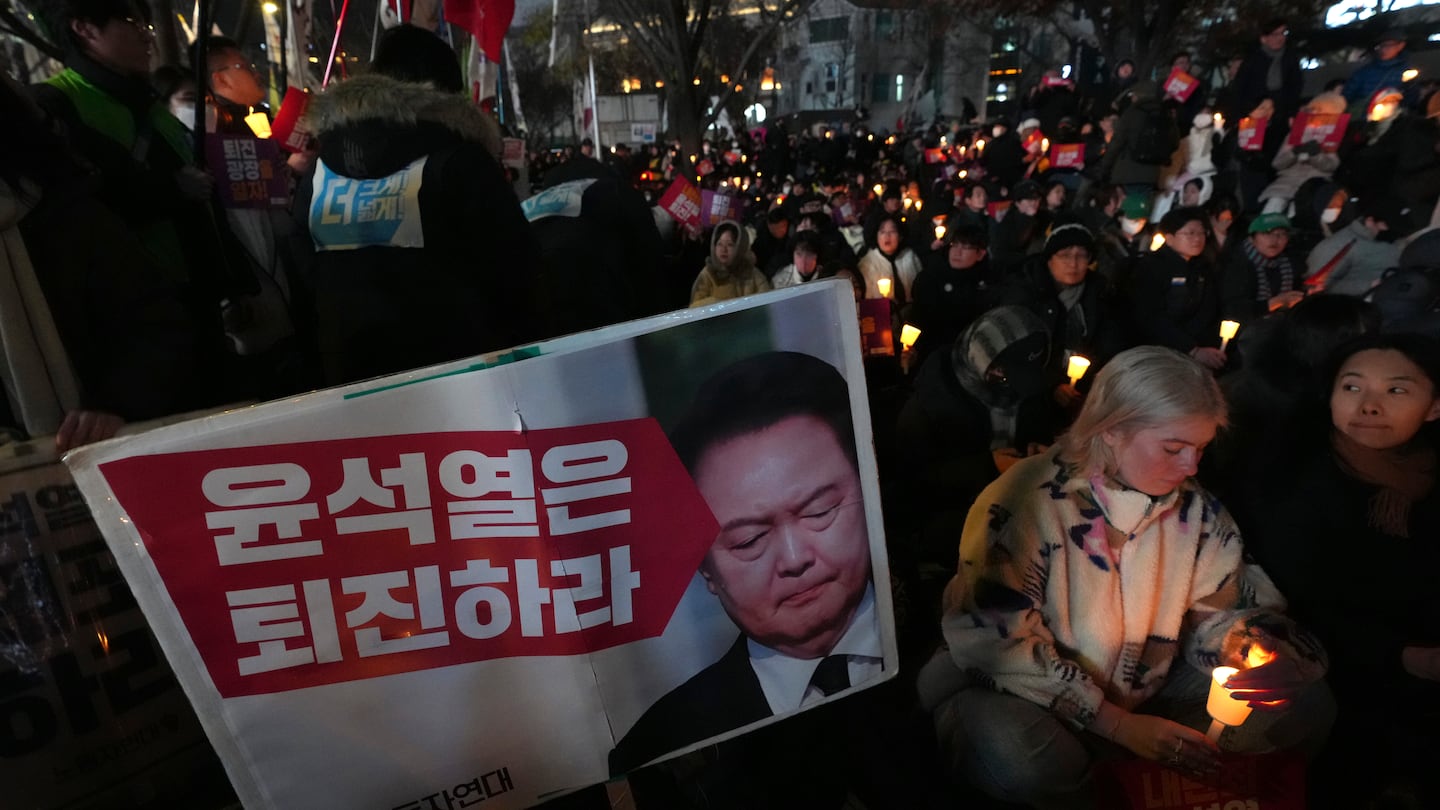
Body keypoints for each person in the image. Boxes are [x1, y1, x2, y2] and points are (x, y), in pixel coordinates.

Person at [919, 345, 1333, 810]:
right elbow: (996, 643)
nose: (1191, 467)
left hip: (1144, 686)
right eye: (1174, 448)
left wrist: (1253, 650)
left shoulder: (1195, 511)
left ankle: (1138, 773)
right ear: (1112, 429)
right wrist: (1115, 723)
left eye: (1199, 449)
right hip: (1023, 693)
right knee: (1018, 755)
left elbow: (1218, 610)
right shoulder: (1024, 502)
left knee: (1307, 701)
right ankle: (1126, 775)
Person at [609, 351, 883, 780]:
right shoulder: (661, 746)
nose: (795, 559)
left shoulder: (950, 631)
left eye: (819, 511)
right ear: (705, 570)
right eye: (749, 540)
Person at [1237, 334, 1440, 809]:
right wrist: (1403, 656)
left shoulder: (1426, 477)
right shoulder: (1291, 478)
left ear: (1434, 407)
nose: (1369, 406)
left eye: (1396, 390)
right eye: (1352, 387)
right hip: (1333, 666)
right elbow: (1290, 602)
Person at [297, 23, 546, 385]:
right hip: (461, 375)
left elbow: (302, 268)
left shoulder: (319, 171)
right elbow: (515, 268)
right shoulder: (460, 161)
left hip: (348, 376)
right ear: (444, 92)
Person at [998, 219, 1129, 410]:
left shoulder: (1099, 292)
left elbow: (1111, 341)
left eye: (1081, 256)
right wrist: (1052, 387)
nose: (1073, 263)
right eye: (1064, 255)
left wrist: (1101, 379)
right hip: (1033, 393)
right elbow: (1014, 351)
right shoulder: (1025, 291)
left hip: (1087, 391)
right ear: (1049, 258)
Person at [1126, 206, 1226, 370]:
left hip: (1196, 348)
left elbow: (1209, 311)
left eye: (1201, 233)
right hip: (1157, 353)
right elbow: (1150, 317)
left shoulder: (1203, 268)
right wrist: (1191, 349)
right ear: (1169, 238)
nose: (1197, 239)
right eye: (1190, 233)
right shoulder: (1151, 267)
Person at [906, 223, 1001, 369]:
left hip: (971, 357)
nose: (957, 252)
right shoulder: (931, 276)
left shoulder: (989, 282)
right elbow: (917, 317)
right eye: (955, 245)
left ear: (980, 254)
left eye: (965, 248)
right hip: (932, 354)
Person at [1219, 211, 1305, 322]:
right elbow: (1233, 309)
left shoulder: (1290, 262)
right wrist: (1274, 303)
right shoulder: (1236, 263)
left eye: (1281, 234)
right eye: (1267, 233)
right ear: (1252, 238)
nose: (1274, 240)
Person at [689, 220, 770, 306]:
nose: (723, 250)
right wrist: (719, 306)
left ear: (740, 247)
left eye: (730, 244)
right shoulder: (708, 274)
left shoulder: (753, 275)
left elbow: (767, 304)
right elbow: (695, 307)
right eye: (719, 244)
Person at [858, 211, 922, 303]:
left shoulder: (910, 256)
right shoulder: (867, 264)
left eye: (892, 231)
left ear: (900, 236)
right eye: (882, 232)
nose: (887, 236)